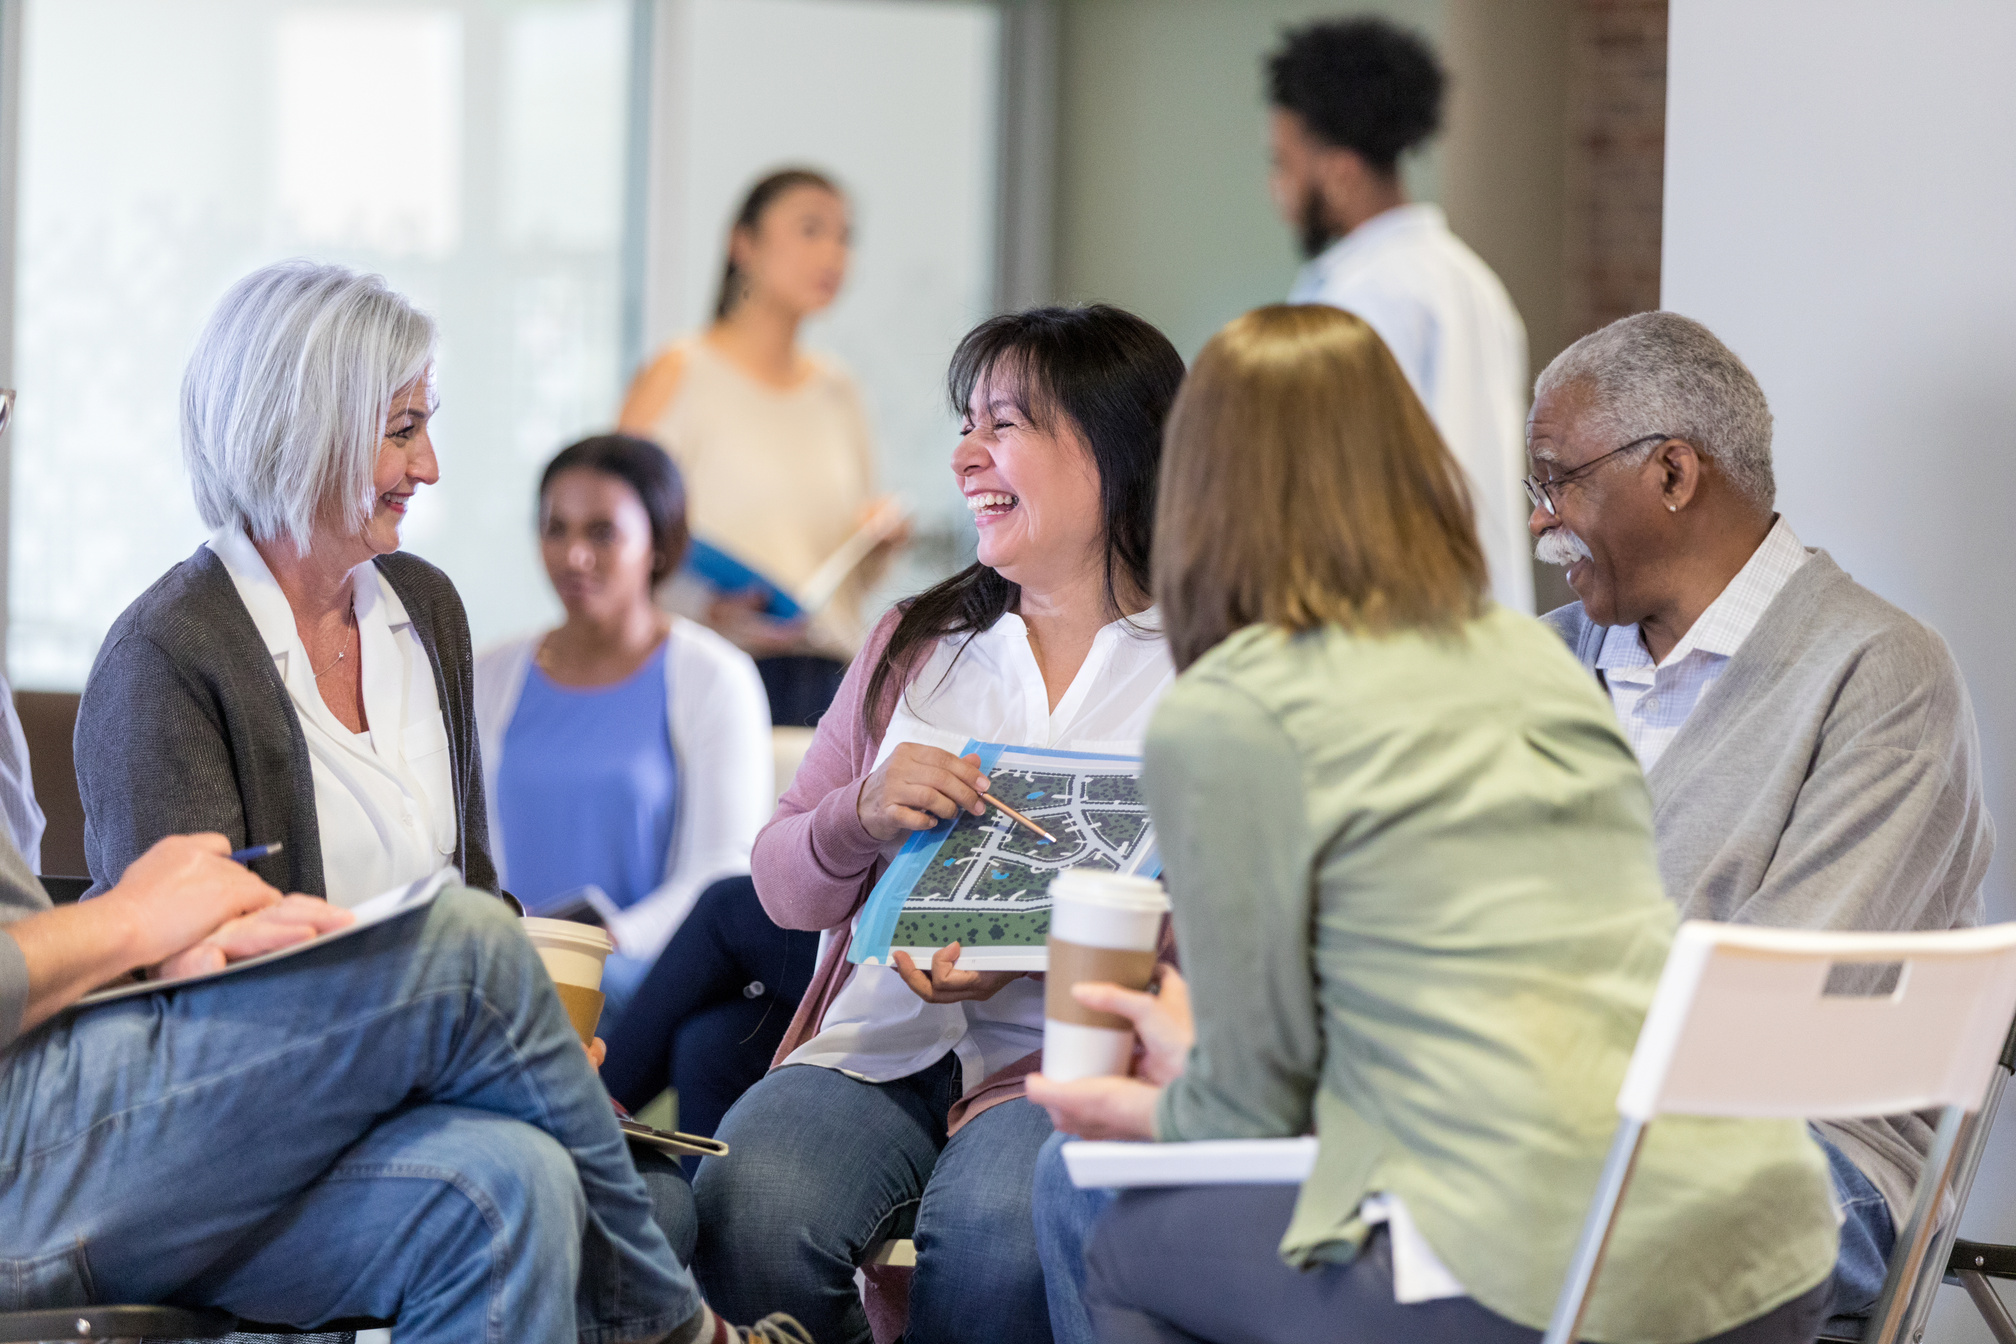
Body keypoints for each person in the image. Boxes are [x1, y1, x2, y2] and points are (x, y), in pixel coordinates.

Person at [1025, 303, 1837, 1344]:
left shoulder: (1229, 713)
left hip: (1550, 1279)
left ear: (1198, 490)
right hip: (1764, 1239)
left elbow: (1246, 1115)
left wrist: (1151, 1108)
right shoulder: (1532, 656)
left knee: (1126, 1240)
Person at [689, 305, 1186, 1344]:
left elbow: (1242, 929)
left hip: (1060, 1069)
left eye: (1003, 426)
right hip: (877, 1047)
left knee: (1003, 1237)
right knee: (751, 1204)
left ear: (1116, 448)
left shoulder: (1208, 669)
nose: (964, 457)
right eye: (966, 424)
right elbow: (781, 884)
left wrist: (1035, 958)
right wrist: (858, 817)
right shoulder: (914, 643)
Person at [1526, 310, 1995, 1318]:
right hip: (1545, 1130)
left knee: (1532, 1246)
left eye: (1557, 478)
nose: (1538, 519)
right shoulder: (1533, 664)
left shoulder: (1879, 674)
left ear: (1673, 475)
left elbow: (1774, 1027)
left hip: (1805, 1158)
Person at [0, 828, 810, 1344]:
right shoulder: (174, 641)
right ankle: (670, 1323)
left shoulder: (424, 614)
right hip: (26, 1134)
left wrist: (164, 941)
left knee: (510, 1181)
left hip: (72, 1076)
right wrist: (135, 917)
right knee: (473, 947)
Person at [76, 260, 493, 906]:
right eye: (403, 431)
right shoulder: (164, 655)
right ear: (305, 433)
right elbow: (190, 959)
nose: (429, 467)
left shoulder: (428, 605)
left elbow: (476, 890)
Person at [475, 434, 777, 1024]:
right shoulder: (488, 674)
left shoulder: (716, 678)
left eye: (602, 532)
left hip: (644, 973)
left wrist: (608, 939)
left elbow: (721, 873)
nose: (573, 556)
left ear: (658, 546)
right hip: (505, 965)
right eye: (556, 529)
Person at [619, 168, 902, 727]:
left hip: (829, 683)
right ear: (742, 243)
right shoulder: (681, 372)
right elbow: (614, 531)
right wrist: (704, 609)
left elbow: (847, 577)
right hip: (711, 678)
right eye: (810, 229)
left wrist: (880, 543)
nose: (833, 253)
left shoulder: (839, 390)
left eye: (845, 237)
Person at [1267, 18, 1532, 614]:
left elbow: (1336, 497)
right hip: (1482, 626)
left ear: (1339, 168)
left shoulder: (1359, 299)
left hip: (1393, 627)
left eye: (1284, 163)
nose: (1276, 190)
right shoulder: (1473, 281)